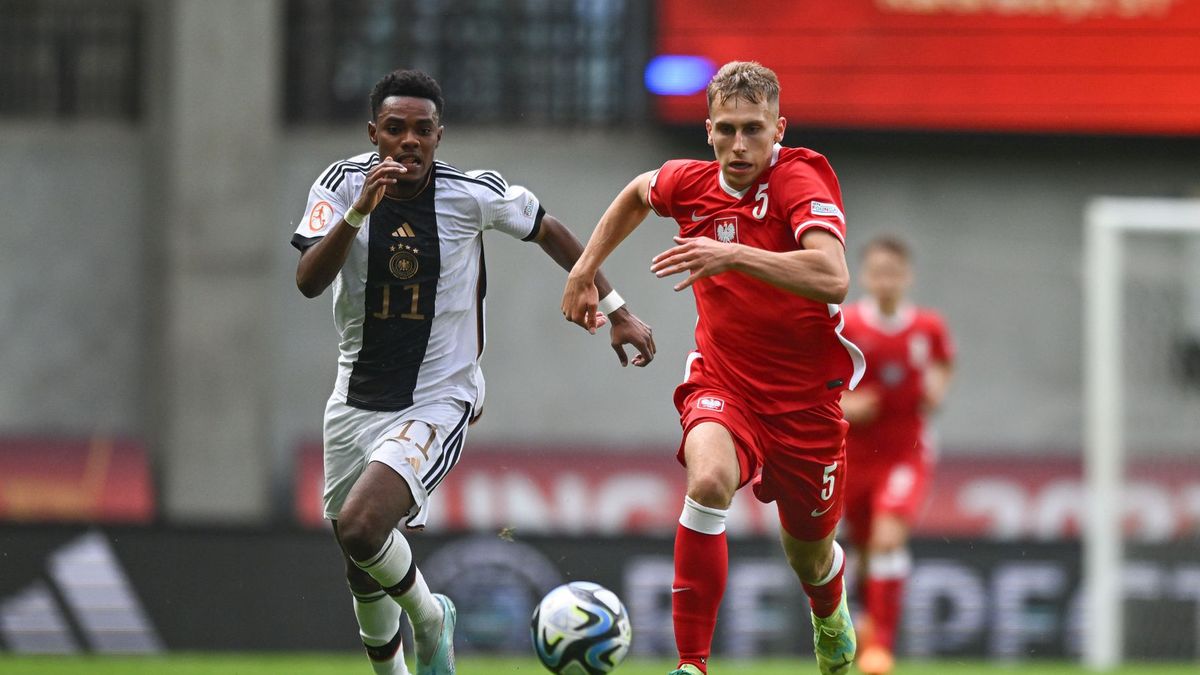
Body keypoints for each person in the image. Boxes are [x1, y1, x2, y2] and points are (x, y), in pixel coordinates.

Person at [292, 69, 654, 675]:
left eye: (423, 130)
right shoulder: (339, 186)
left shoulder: (469, 194)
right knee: (361, 561)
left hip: (440, 395)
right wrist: (357, 213)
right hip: (354, 397)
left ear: (440, 135)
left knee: (361, 527)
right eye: (395, 128)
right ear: (373, 132)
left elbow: (550, 228)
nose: (409, 141)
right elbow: (308, 281)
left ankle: (432, 619)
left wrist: (616, 308)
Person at [562, 61, 864, 675]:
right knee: (706, 482)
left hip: (806, 403)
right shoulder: (691, 183)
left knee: (809, 557)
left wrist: (732, 254)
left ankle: (828, 608)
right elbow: (638, 193)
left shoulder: (800, 180)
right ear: (707, 130)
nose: (739, 145)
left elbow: (833, 275)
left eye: (754, 129)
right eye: (726, 129)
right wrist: (585, 269)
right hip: (724, 383)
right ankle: (692, 665)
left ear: (780, 128)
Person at [838, 236, 955, 675]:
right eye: (877, 272)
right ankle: (868, 623)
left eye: (894, 272)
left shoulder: (928, 327)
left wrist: (937, 390)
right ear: (864, 277)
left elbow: (943, 361)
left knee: (888, 537)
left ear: (907, 277)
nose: (885, 281)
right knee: (867, 551)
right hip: (853, 455)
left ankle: (881, 647)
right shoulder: (846, 325)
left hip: (906, 454)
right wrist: (845, 405)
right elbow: (819, 380)